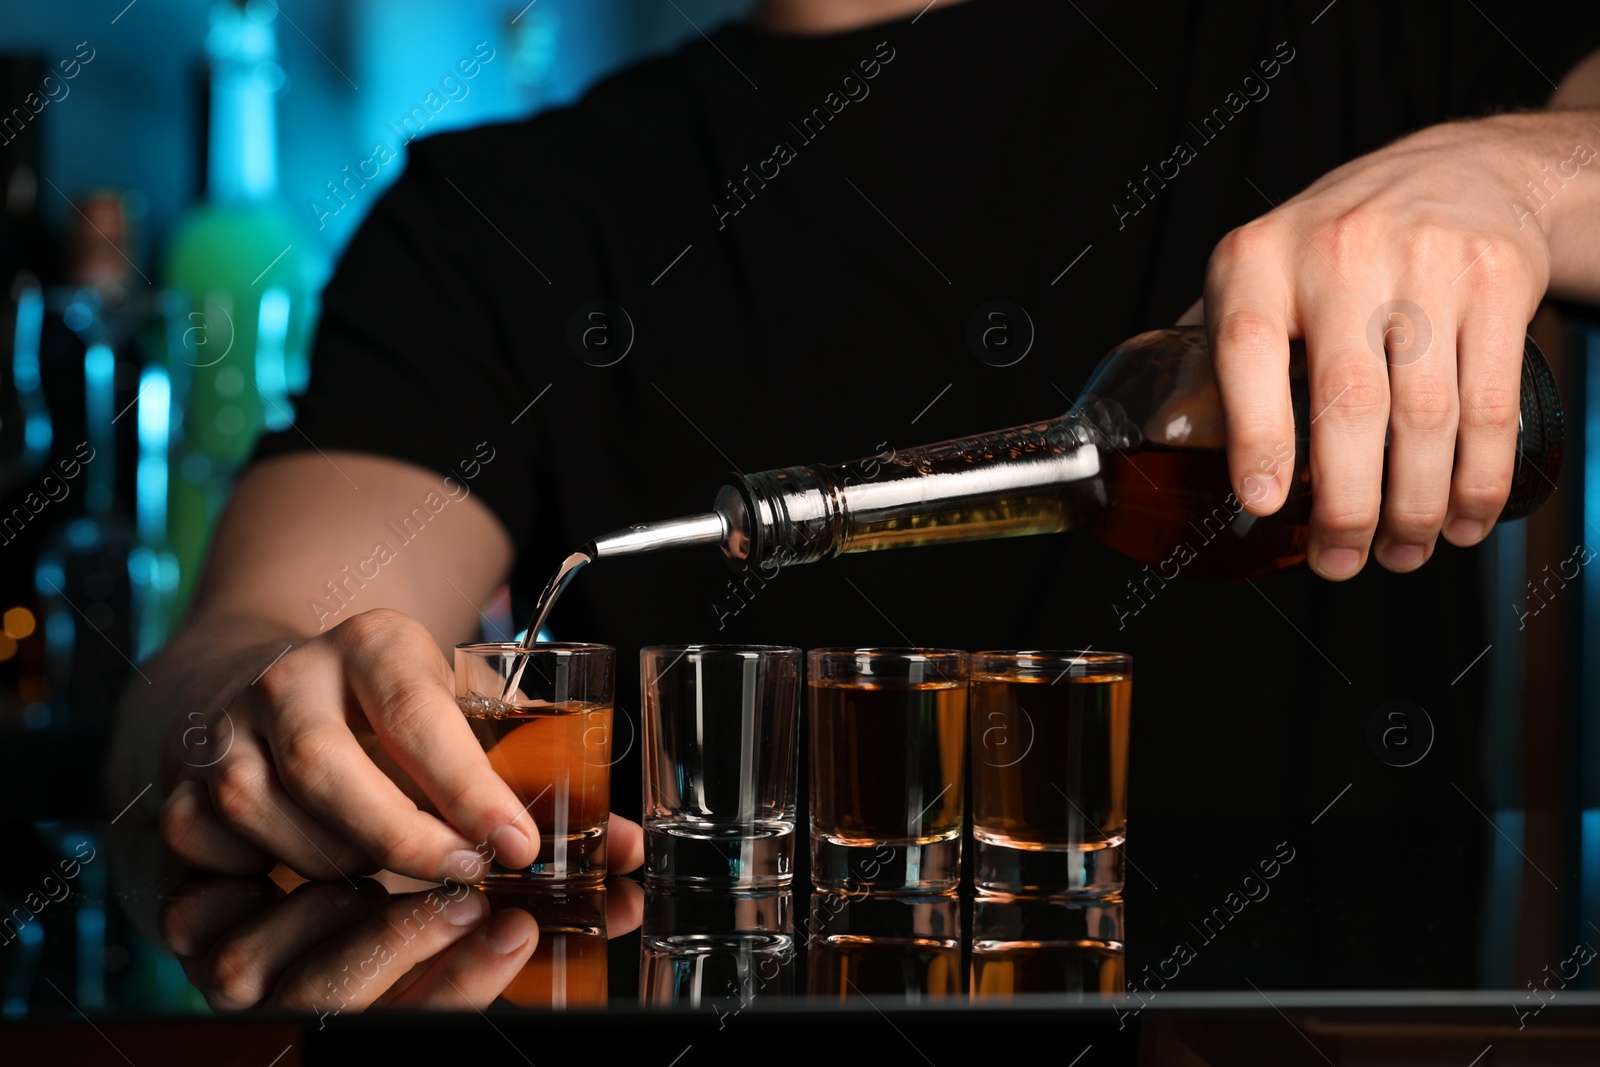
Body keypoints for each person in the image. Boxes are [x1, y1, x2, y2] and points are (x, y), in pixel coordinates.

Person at [112, 0, 1600, 937]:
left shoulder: (1369, 43)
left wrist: (1520, 174)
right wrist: (256, 724)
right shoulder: (495, 217)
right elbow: (238, 654)